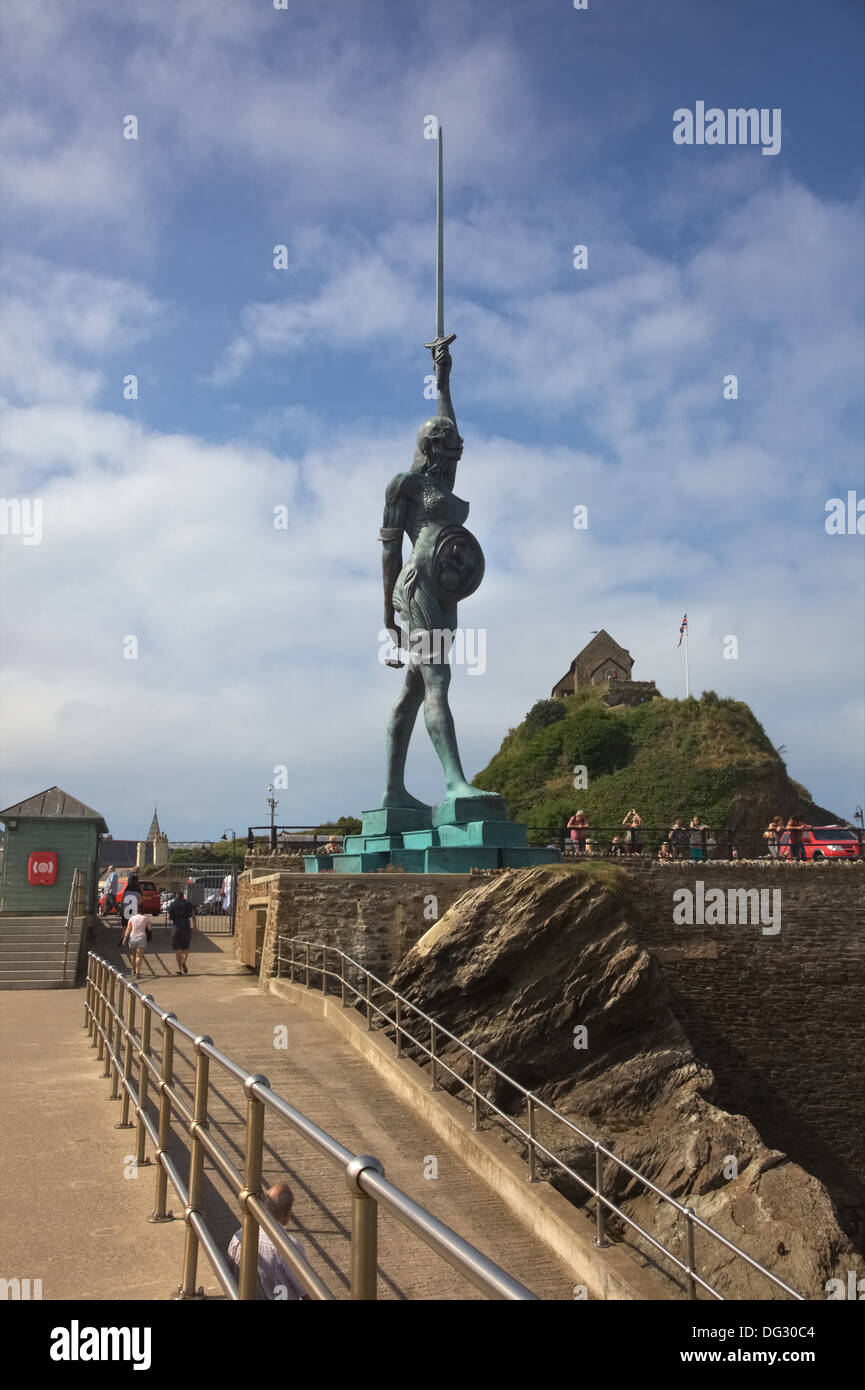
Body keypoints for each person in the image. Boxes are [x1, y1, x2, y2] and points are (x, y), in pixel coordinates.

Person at [227, 1182, 307, 1300]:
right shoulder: (290, 1247)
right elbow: (307, 1291)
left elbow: (228, 1272)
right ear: (287, 1212)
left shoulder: (240, 1236)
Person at [167, 888, 198, 976]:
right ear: (183, 896)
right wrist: (195, 927)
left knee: (178, 949)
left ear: (176, 896)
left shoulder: (173, 904)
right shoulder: (189, 904)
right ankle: (184, 961)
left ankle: (179, 969)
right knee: (186, 948)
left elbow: (169, 917)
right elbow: (193, 916)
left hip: (176, 928)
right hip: (186, 928)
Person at [122, 908, 150, 979]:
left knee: (133, 955)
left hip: (132, 938)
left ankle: (133, 970)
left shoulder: (131, 918)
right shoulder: (145, 918)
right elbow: (149, 928)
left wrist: (125, 939)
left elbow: (128, 929)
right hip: (141, 937)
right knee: (139, 956)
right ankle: (138, 972)